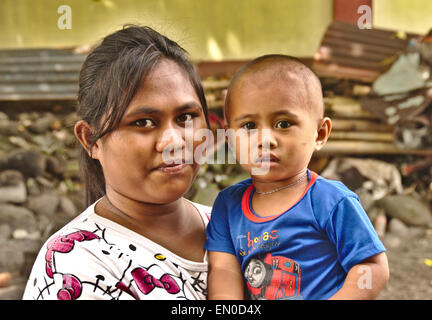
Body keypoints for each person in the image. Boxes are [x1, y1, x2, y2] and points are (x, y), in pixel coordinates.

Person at [23, 25, 211, 300]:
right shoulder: (74, 267)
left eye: (185, 117)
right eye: (143, 122)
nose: (174, 142)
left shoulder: (233, 225)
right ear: (91, 140)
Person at [205, 54, 390, 300]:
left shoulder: (331, 201)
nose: (265, 140)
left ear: (320, 134)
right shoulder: (228, 206)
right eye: (249, 126)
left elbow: (372, 267)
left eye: (283, 123)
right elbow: (223, 270)